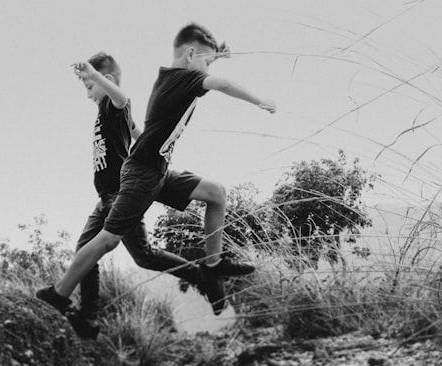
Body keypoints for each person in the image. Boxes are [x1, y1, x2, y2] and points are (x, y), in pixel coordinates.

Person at [39, 23, 276, 326]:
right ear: (191, 55)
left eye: (89, 87)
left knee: (215, 193)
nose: (207, 70)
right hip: (142, 173)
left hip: (151, 171)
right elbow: (215, 81)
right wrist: (258, 99)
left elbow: (131, 102)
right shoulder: (181, 79)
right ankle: (67, 300)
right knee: (110, 243)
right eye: (205, 62)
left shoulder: (173, 79)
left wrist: (216, 55)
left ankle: (213, 264)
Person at [65, 52, 219, 339]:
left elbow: (123, 99)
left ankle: (200, 275)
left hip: (122, 195)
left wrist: (94, 75)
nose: (87, 95)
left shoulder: (114, 105)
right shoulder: (106, 115)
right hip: (107, 197)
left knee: (135, 256)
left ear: (106, 80)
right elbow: (139, 133)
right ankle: (88, 317)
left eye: (88, 88)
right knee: (99, 253)